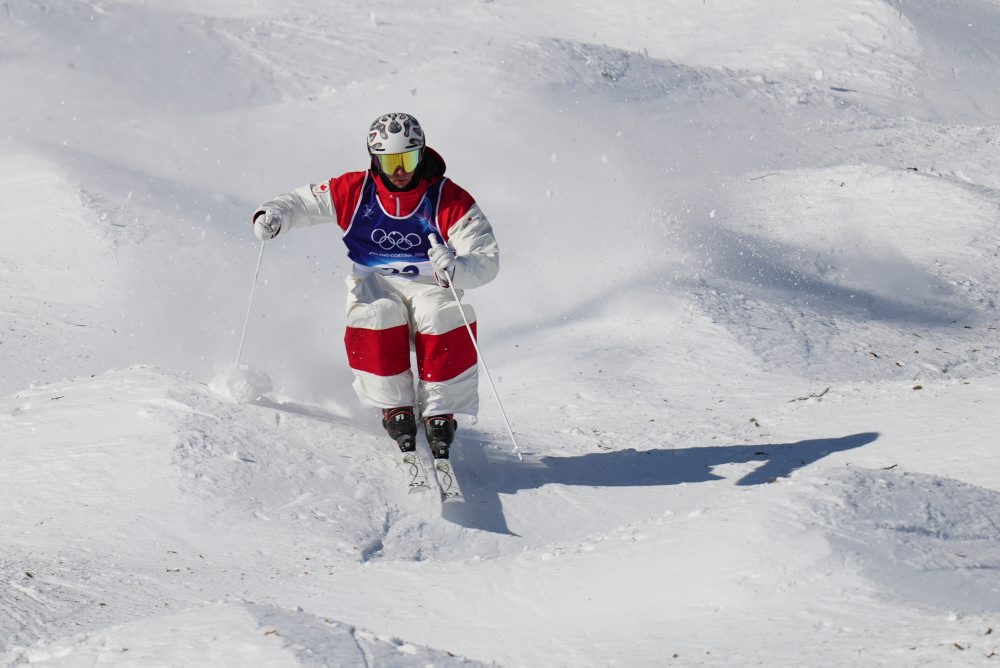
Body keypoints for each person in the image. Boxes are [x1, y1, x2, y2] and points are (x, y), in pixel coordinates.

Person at [251, 112, 500, 460]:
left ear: (422, 153)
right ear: (375, 159)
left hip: (431, 281)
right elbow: (304, 201)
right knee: (377, 315)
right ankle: (394, 405)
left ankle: (441, 410)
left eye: (409, 159)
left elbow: (486, 258)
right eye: (391, 161)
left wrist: (457, 268)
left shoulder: (449, 198)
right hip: (375, 280)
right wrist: (275, 214)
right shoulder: (355, 190)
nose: (401, 171)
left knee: (442, 315)